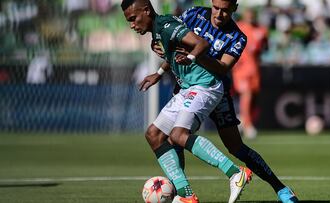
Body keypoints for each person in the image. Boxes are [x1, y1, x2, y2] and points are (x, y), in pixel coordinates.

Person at [142, 0, 299, 202]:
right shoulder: (193, 14)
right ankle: (182, 193)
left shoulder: (237, 37)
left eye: (225, 10)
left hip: (215, 91)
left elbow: (222, 68)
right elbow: (175, 44)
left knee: (236, 147)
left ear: (234, 8)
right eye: (216, 8)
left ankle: (281, 189)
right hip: (187, 87)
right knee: (173, 139)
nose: (219, 14)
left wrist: (194, 56)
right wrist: (160, 70)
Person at [121, 0, 252, 203]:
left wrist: (190, 57)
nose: (132, 24)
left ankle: (235, 173)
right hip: (189, 87)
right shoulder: (159, 30)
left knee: (178, 135)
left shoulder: (166, 26)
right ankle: (186, 195)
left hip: (205, 85)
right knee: (154, 135)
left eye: (133, 19)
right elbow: (175, 52)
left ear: (146, 11)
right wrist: (159, 73)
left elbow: (202, 43)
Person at [232, 8, 268, 139]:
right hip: (241, 69)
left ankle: (242, 120)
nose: (250, 16)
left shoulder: (261, 30)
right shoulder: (238, 27)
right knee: (246, 95)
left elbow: (264, 48)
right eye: (248, 14)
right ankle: (247, 126)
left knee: (254, 98)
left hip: (254, 69)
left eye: (252, 14)